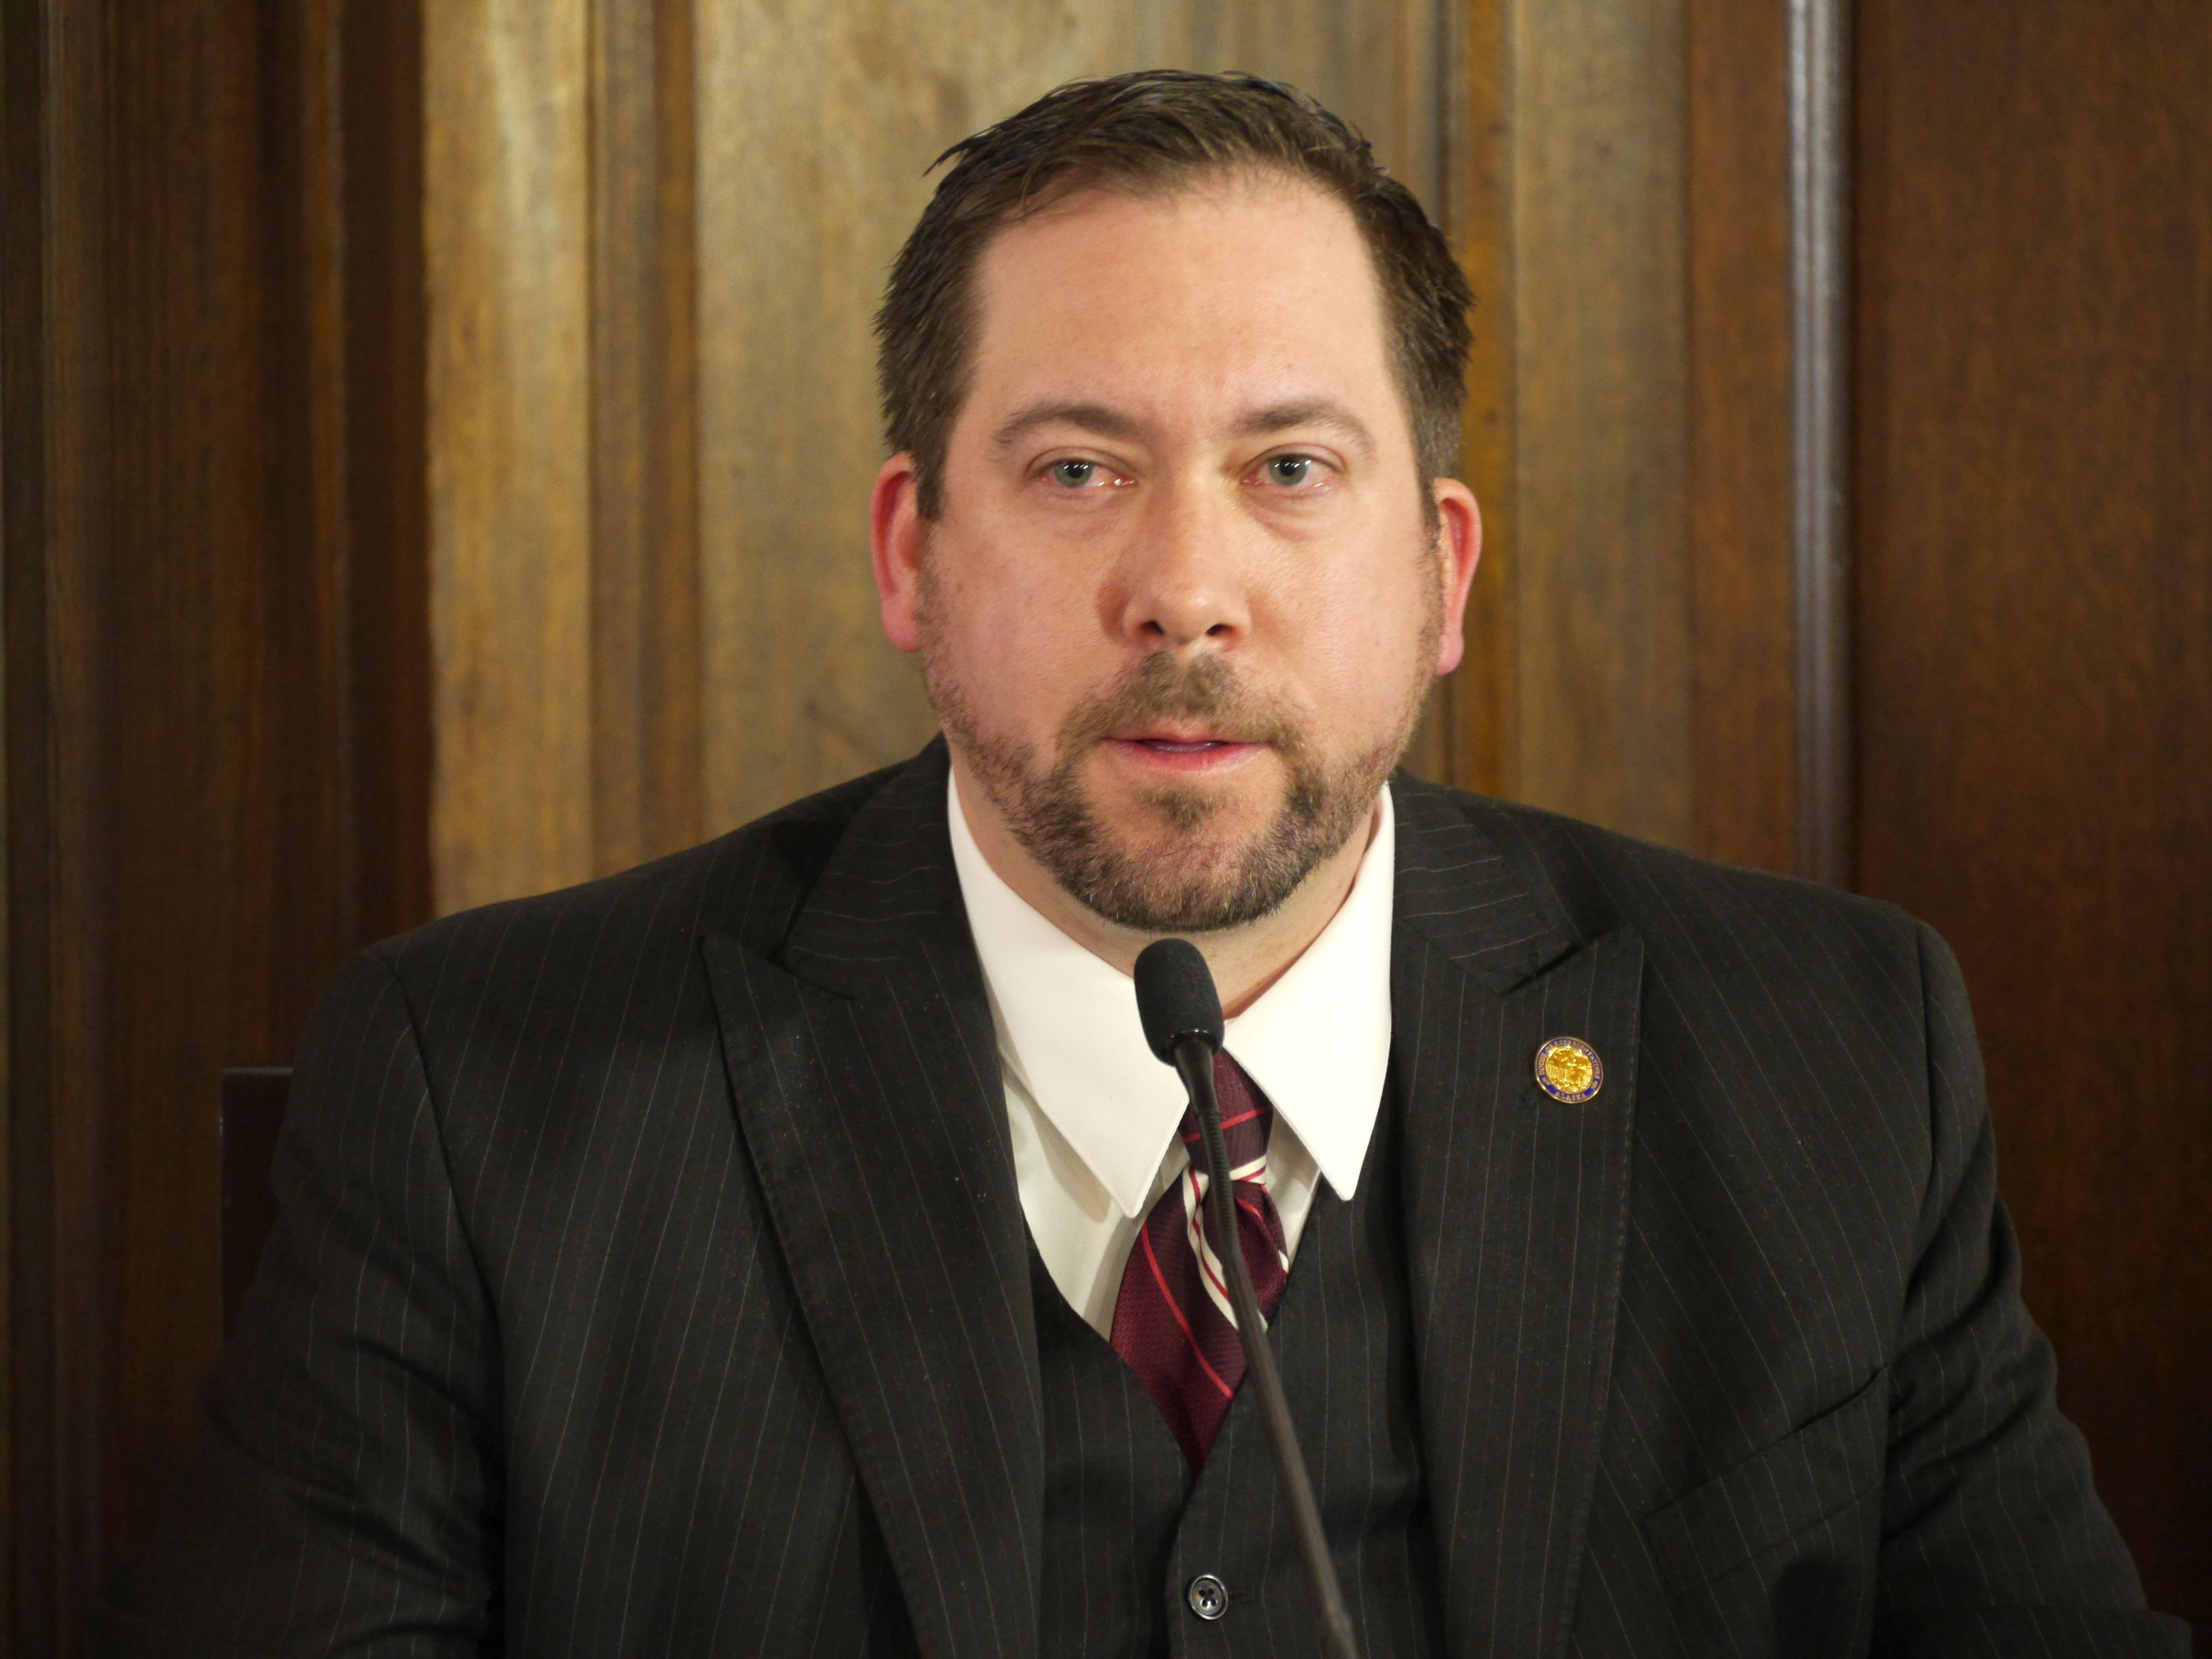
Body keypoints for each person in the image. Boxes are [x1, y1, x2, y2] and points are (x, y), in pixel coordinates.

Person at [96, 71, 2183, 1658]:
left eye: (1290, 472)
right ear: (916, 556)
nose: (1187, 592)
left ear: (1438, 573)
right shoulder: (480, 1092)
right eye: (1080, 471)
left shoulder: (1830, 1056)